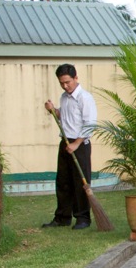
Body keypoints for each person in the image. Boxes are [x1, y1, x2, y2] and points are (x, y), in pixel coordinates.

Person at [42, 64, 97, 230]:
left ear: (76, 78)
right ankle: (62, 217)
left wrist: (76, 143)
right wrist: (54, 111)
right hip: (65, 142)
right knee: (63, 182)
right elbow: (65, 118)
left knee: (80, 182)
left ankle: (83, 218)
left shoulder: (85, 98)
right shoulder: (64, 97)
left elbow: (89, 125)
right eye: (62, 83)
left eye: (67, 82)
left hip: (79, 145)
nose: (65, 86)